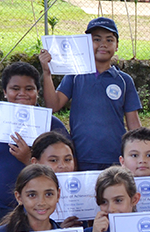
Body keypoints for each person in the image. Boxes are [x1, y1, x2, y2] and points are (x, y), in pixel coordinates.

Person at [0, 62, 68, 232]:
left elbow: (67, 171)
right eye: (15, 88)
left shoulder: (52, 126)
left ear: (38, 91)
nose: (22, 94)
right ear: (5, 92)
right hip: (1, 210)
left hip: (45, 211)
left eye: (29, 88)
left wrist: (28, 160)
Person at [40, 17, 142, 170]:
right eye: (96, 39)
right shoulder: (74, 75)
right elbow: (53, 105)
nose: (103, 44)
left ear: (117, 45)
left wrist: (139, 152)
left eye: (109, 40)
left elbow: (133, 123)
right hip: (81, 156)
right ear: (87, 43)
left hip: (115, 158)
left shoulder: (124, 80)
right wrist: (47, 73)